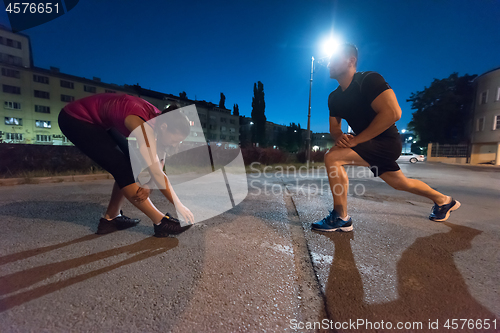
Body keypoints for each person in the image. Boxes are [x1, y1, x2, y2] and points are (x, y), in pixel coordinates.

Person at [312, 44, 460, 232]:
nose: (329, 63)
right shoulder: (334, 97)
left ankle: (341, 217)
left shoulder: (369, 80)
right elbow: (334, 128)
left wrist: (356, 140)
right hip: (368, 144)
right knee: (400, 183)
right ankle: (444, 201)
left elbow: (393, 112)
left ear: (351, 61)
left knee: (333, 158)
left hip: (387, 143)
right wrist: (340, 137)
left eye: (334, 58)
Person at [58, 93, 195, 237]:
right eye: (175, 140)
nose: (175, 145)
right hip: (75, 118)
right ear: (164, 127)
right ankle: (161, 222)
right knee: (123, 166)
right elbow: (157, 173)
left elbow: (159, 159)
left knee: (130, 163)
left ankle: (111, 218)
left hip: (101, 123)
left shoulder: (160, 120)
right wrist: (178, 205)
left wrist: (148, 184)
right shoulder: (143, 127)